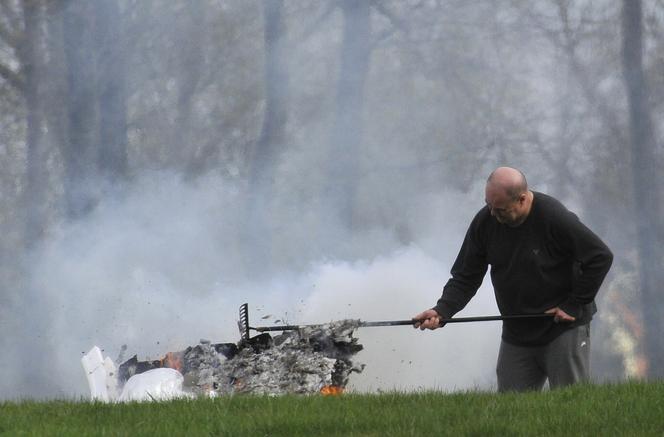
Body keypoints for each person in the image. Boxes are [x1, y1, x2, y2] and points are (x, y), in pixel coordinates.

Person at [414, 166, 613, 392]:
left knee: (572, 405)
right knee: (511, 411)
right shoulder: (485, 222)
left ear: (522, 199)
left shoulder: (553, 217)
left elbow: (600, 256)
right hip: (516, 333)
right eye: (489, 205)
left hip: (562, 329)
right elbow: (465, 277)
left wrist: (575, 303)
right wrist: (442, 311)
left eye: (500, 210)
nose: (493, 215)